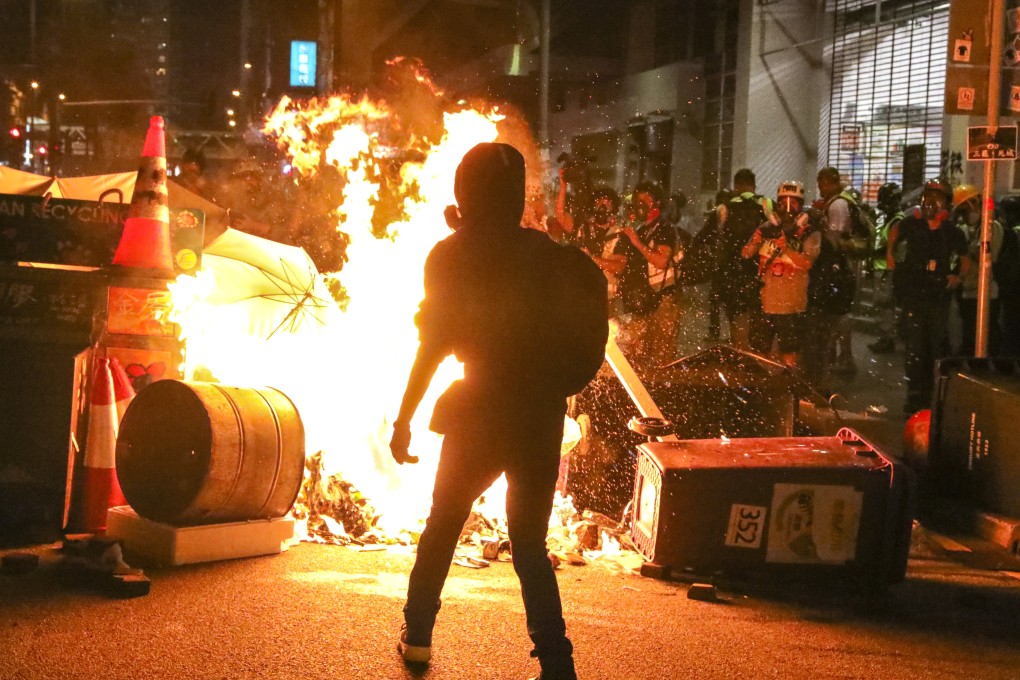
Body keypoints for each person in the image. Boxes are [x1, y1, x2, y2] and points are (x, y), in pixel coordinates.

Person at [390, 142, 606, 680]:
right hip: (539, 413)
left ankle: (418, 636)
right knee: (529, 544)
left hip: (478, 407)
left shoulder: (450, 255)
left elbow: (433, 344)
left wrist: (404, 418)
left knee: (443, 524)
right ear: (515, 195)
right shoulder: (552, 258)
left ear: (465, 192)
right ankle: (556, 660)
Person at [889, 179, 969, 413]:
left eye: (937, 198)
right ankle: (915, 396)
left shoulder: (952, 233)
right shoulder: (911, 225)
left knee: (938, 347)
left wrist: (958, 278)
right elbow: (894, 233)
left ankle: (938, 395)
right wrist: (891, 254)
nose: (930, 203)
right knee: (914, 348)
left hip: (939, 299)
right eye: (928, 197)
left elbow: (965, 260)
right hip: (914, 296)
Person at [741, 181, 821, 367]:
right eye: (783, 203)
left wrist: (787, 248)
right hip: (765, 301)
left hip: (791, 305)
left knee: (789, 355)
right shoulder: (767, 228)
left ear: (801, 205)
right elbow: (745, 253)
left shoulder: (809, 232)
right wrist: (756, 239)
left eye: (794, 203)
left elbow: (807, 263)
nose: (788, 208)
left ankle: (789, 383)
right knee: (759, 353)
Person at [613, 181, 679, 375]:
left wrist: (636, 242)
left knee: (662, 360)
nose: (640, 203)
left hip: (664, 301)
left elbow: (661, 261)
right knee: (636, 359)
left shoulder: (665, 228)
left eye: (646, 199)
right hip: (641, 302)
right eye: (637, 199)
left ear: (657, 202)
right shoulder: (640, 229)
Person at [713, 169, 772, 349]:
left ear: (736, 186)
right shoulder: (767, 203)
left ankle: (740, 351)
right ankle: (757, 351)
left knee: (737, 315)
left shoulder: (724, 208)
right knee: (758, 313)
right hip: (760, 271)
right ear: (754, 185)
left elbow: (715, 236)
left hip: (733, 272)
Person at [953, 183, 1003, 356]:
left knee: (988, 334)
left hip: (986, 291)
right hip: (969, 290)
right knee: (969, 332)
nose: (964, 215)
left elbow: (986, 255)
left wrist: (965, 252)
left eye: (965, 210)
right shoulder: (969, 230)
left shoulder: (992, 227)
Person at [868, 182, 906, 354]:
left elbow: (895, 248)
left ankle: (888, 339)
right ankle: (886, 337)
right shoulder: (889, 219)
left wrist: (875, 252)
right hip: (882, 267)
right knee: (883, 305)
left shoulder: (898, 220)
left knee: (885, 305)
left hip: (887, 269)